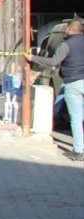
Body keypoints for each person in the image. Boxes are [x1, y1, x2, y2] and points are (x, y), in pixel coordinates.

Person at [27, 18, 84, 161]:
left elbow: (53, 61)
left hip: (73, 82)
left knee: (76, 118)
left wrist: (33, 57)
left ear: (70, 30)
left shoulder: (66, 44)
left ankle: (78, 151)